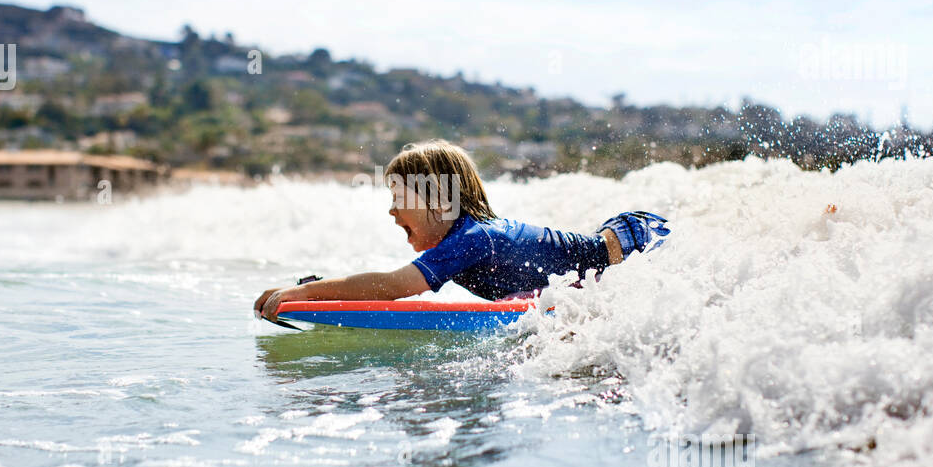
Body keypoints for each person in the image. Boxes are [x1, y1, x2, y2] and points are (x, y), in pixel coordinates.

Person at [254, 139, 669, 321]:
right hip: (627, 241)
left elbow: (395, 285)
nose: (392, 212)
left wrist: (307, 291)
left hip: (638, 242)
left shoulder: (474, 239)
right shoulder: (466, 237)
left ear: (438, 200)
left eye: (400, 200)